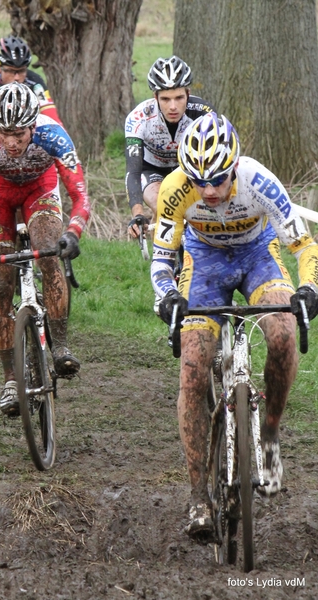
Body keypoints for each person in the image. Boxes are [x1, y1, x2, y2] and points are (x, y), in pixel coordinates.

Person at [151, 112, 318, 542]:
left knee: (282, 333)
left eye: (218, 180)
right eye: (199, 182)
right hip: (203, 262)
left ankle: (270, 436)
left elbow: (303, 244)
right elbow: (162, 261)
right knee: (193, 366)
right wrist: (166, 296)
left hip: (257, 257)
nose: (208, 192)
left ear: (234, 166)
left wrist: (309, 289)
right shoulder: (175, 190)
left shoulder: (259, 181)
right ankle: (198, 496)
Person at [0, 82, 90, 418]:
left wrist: (72, 233)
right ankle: (11, 380)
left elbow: (80, 195)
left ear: (32, 125)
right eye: (4, 134)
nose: (10, 142)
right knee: (0, 285)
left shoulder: (54, 135)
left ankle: (60, 344)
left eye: (18, 134)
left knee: (47, 251)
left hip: (39, 189)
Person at [124, 55, 215, 239]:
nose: (173, 106)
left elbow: (214, 161)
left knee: (192, 211)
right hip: (151, 169)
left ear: (188, 94)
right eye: (165, 99)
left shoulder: (203, 114)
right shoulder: (138, 118)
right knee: (164, 205)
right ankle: (164, 260)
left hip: (188, 168)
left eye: (179, 98)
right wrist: (138, 214)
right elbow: (133, 171)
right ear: (155, 97)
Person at [0, 35, 62, 153]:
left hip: (19, 132)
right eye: (11, 71)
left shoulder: (34, 81)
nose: (17, 77)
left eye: (22, 71)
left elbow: (53, 119)